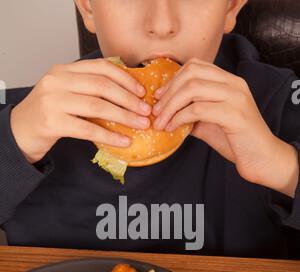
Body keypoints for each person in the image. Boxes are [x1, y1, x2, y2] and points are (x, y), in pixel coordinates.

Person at [0, 0, 299, 258]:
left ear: (230, 6)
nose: (161, 24)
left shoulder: (278, 101)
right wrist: (12, 149)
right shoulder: (31, 118)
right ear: (88, 7)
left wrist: (282, 166)